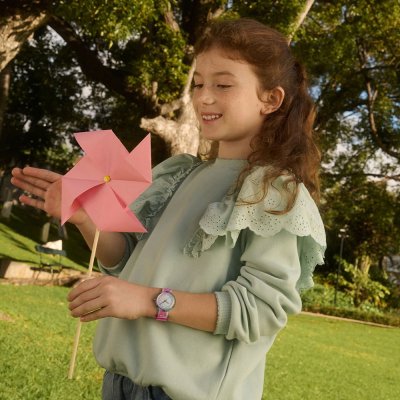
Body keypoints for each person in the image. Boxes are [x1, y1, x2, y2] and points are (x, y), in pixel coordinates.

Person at [11, 18, 326, 400]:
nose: (203, 97)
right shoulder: (180, 174)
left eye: (223, 85)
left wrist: (147, 301)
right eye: (199, 84)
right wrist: (84, 217)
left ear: (270, 100)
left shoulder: (272, 191)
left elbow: (260, 310)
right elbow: (123, 261)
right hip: (121, 384)